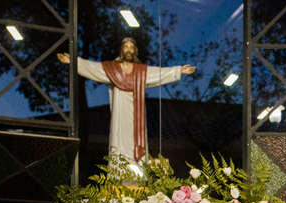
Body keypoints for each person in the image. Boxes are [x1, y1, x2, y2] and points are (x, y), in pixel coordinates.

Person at [58, 38, 195, 164]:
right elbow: (93, 68)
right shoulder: (112, 70)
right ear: (121, 50)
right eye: (126, 47)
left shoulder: (140, 72)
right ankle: (119, 169)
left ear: (135, 51)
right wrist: (74, 61)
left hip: (136, 115)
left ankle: (137, 170)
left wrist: (179, 70)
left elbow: (159, 73)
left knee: (134, 139)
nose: (128, 50)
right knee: (118, 141)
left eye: (131, 47)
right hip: (119, 114)